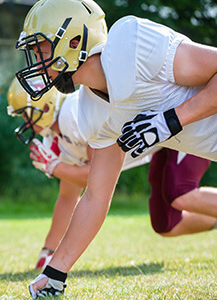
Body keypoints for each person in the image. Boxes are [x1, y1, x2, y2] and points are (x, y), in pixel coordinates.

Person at [14, 0, 217, 297]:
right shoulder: (89, 112)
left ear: (74, 40)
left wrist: (173, 119)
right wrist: (55, 271)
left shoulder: (130, 42)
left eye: (40, 47)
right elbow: (95, 197)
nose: (35, 58)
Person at [7, 77, 217, 273]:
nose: (24, 122)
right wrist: (48, 252)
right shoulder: (57, 137)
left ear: (44, 105)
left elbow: (96, 178)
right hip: (160, 144)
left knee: (179, 193)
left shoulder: (74, 116)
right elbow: (67, 197)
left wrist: (55, 167)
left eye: (24, 114)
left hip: (176, 124)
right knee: (166, 224)